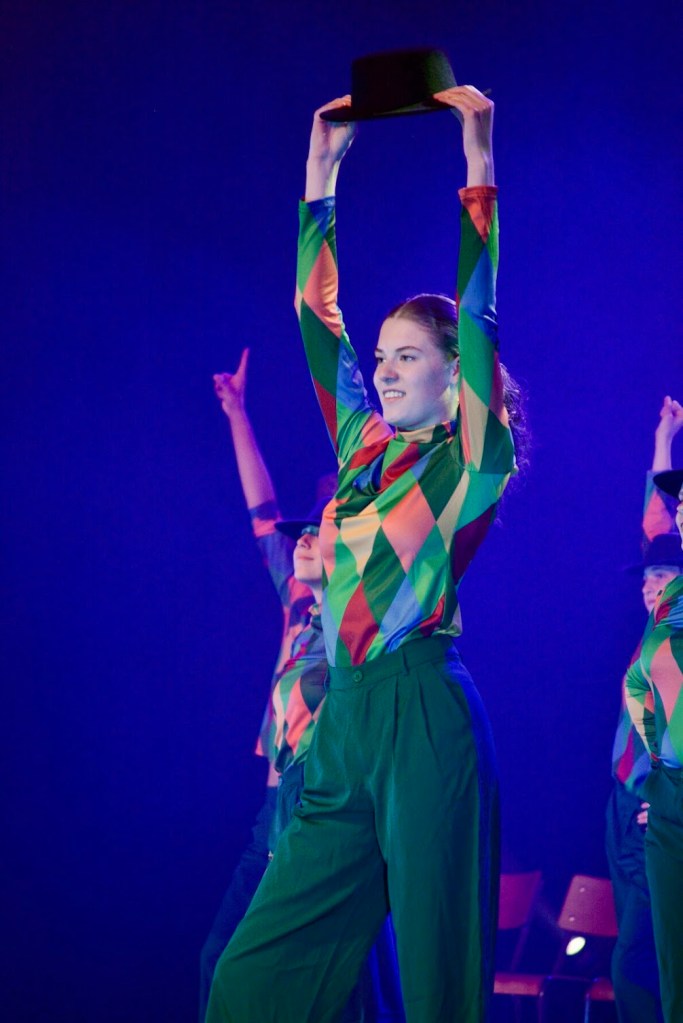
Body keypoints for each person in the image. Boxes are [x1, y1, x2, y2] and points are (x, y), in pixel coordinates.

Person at [207, 81, 523, 1023]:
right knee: (247, 983)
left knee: (435, 988)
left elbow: (479, 317)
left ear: (454, 375)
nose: (382, 370)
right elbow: (318, 319)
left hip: (422, 714)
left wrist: (476, 161)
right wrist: (320, 175)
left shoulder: (472, 458)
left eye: (406, 357)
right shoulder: (360, 450)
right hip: (341, 725)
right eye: (380, 357)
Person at [200, 350, 404, 1023]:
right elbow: (262, 512)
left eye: (318, 532)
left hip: (323, 799)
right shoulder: (297, 599)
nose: (301, 541)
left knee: (340, 977)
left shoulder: (365, 617)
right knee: (222, 959)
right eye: (305, 533)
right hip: (273, 806)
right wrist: (237, 414)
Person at [606, 396, 683, 1023]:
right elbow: (656, 519)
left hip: (660, 798)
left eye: (661, 576)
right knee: (642, 957)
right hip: (629, 798)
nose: (649, 584)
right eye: (646, 577)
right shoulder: (657, 630)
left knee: (637, 959)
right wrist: (664, 438)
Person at [625, 463, 683, 1023]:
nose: (681, 508)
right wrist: (661, 768)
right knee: (664, 962)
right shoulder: (669, 605)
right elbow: (639, 687)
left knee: (640, 959)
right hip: (661, 797)